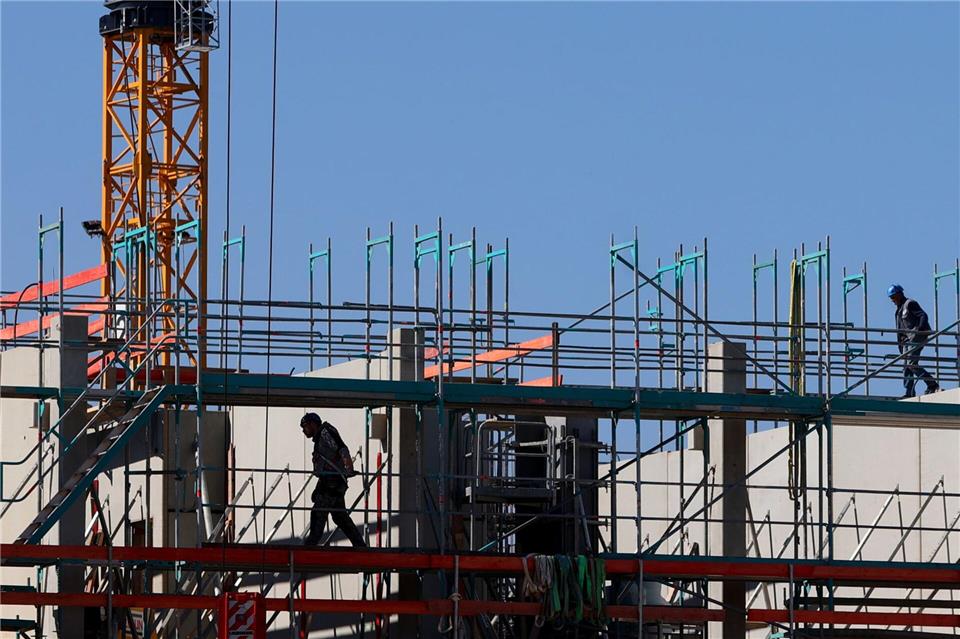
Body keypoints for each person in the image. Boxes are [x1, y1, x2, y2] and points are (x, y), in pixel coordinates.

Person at [300, 412, 366, 547]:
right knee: (340, 517)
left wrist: (349, 468)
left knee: (318, 515)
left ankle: (309, 547)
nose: (303, 430)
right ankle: (360, 546)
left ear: (313, 424)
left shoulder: (325, 432)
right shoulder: (321, 436)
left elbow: (342, 448)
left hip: (331, 484)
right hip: (331, 483)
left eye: (305, 426)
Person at [888, 284, 939, 398]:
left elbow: (923, 315)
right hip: (907, 340)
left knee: (911, 363)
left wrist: (920, 329)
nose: (893, 300)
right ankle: (909, 393)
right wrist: (901, 342)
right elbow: (901, 328)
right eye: (891, 298)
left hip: (916, 336)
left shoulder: (910, 304)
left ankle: (932, 384)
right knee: (906, 366)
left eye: (894, 297)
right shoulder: (899, 310)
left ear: (900, 294)